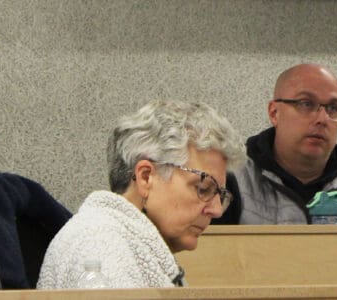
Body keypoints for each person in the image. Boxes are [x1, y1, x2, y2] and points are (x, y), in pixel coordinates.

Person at [37, 99, 245, 289]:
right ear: (146, 177)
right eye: (203, 189)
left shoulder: (126, 244)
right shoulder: (101, 246)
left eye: (220, 195)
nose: (217, 210)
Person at [215, 63, 337, 225]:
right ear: (274, 113)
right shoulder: (232, 175)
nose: (322, 119)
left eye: (333, 109)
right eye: (306, 104)